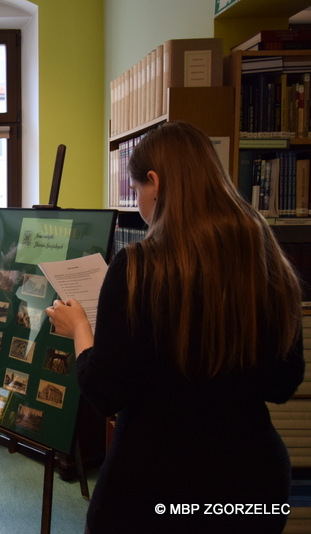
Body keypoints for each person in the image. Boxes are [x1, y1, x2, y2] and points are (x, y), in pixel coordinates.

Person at [45, 121, 305, 534]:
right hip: (253, 486)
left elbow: (106, 393)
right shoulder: (266, 258)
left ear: (155, 182)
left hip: (155, 490)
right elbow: (285, 383)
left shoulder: (139, 267)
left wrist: (79, 328)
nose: (139, 203)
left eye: (136, 192)